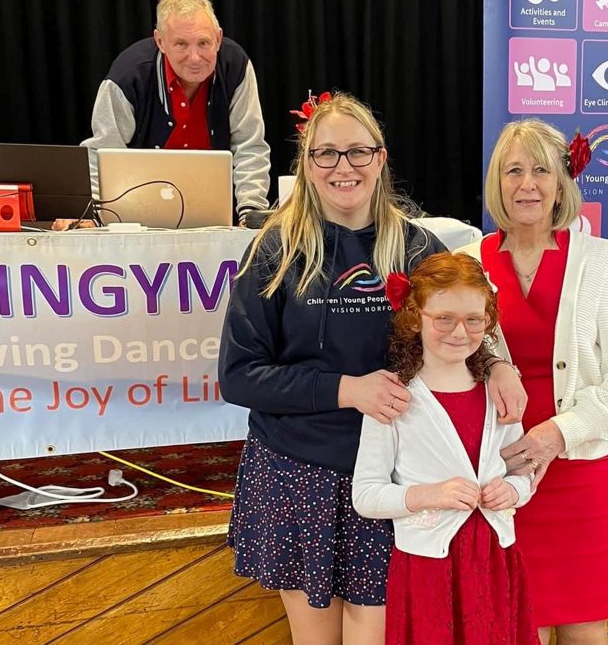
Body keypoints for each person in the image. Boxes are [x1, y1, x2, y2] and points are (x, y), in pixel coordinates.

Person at [217, 92, 524, 643]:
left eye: (358, 152)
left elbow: (465, 321)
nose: (344, 167)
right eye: (327, 154)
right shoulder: (275, 251)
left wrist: (499, 364)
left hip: (394, 472)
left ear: (380, 160)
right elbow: (240, 376)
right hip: (299, 469)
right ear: (307, 165)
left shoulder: (416, 246)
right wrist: (346, 390)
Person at [459, 119, 608, 645]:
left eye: (541, 171)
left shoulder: (602, 263)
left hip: (585, 472)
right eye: (513, 171)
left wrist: (555, 435)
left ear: (563, 182)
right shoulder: (467, 265)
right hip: (501, 471)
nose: (527, 184)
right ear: (496, 183)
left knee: (585, 627)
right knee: (515, 623)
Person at [352, 252, 539, 645]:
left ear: (488, 321)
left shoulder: (499, 393)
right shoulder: (395, 399)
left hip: (493, 561)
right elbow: (366, 495)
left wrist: (514, 490)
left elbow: (524, 471)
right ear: (414, 315)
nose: (459, 332)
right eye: (444, 319)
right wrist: (430, 495)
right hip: (427, 568)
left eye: (473, 320)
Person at [78, 0, 270, 227]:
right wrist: (93, 217)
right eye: (181, 44)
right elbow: (101, 154)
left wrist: (250, 213)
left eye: (204, 43)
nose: (195, 57)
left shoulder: (235, 66)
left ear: (218, 38)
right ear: (160, 41)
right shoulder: (127, 76)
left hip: (217, 220)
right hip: (139, 218)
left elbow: (249, 145)